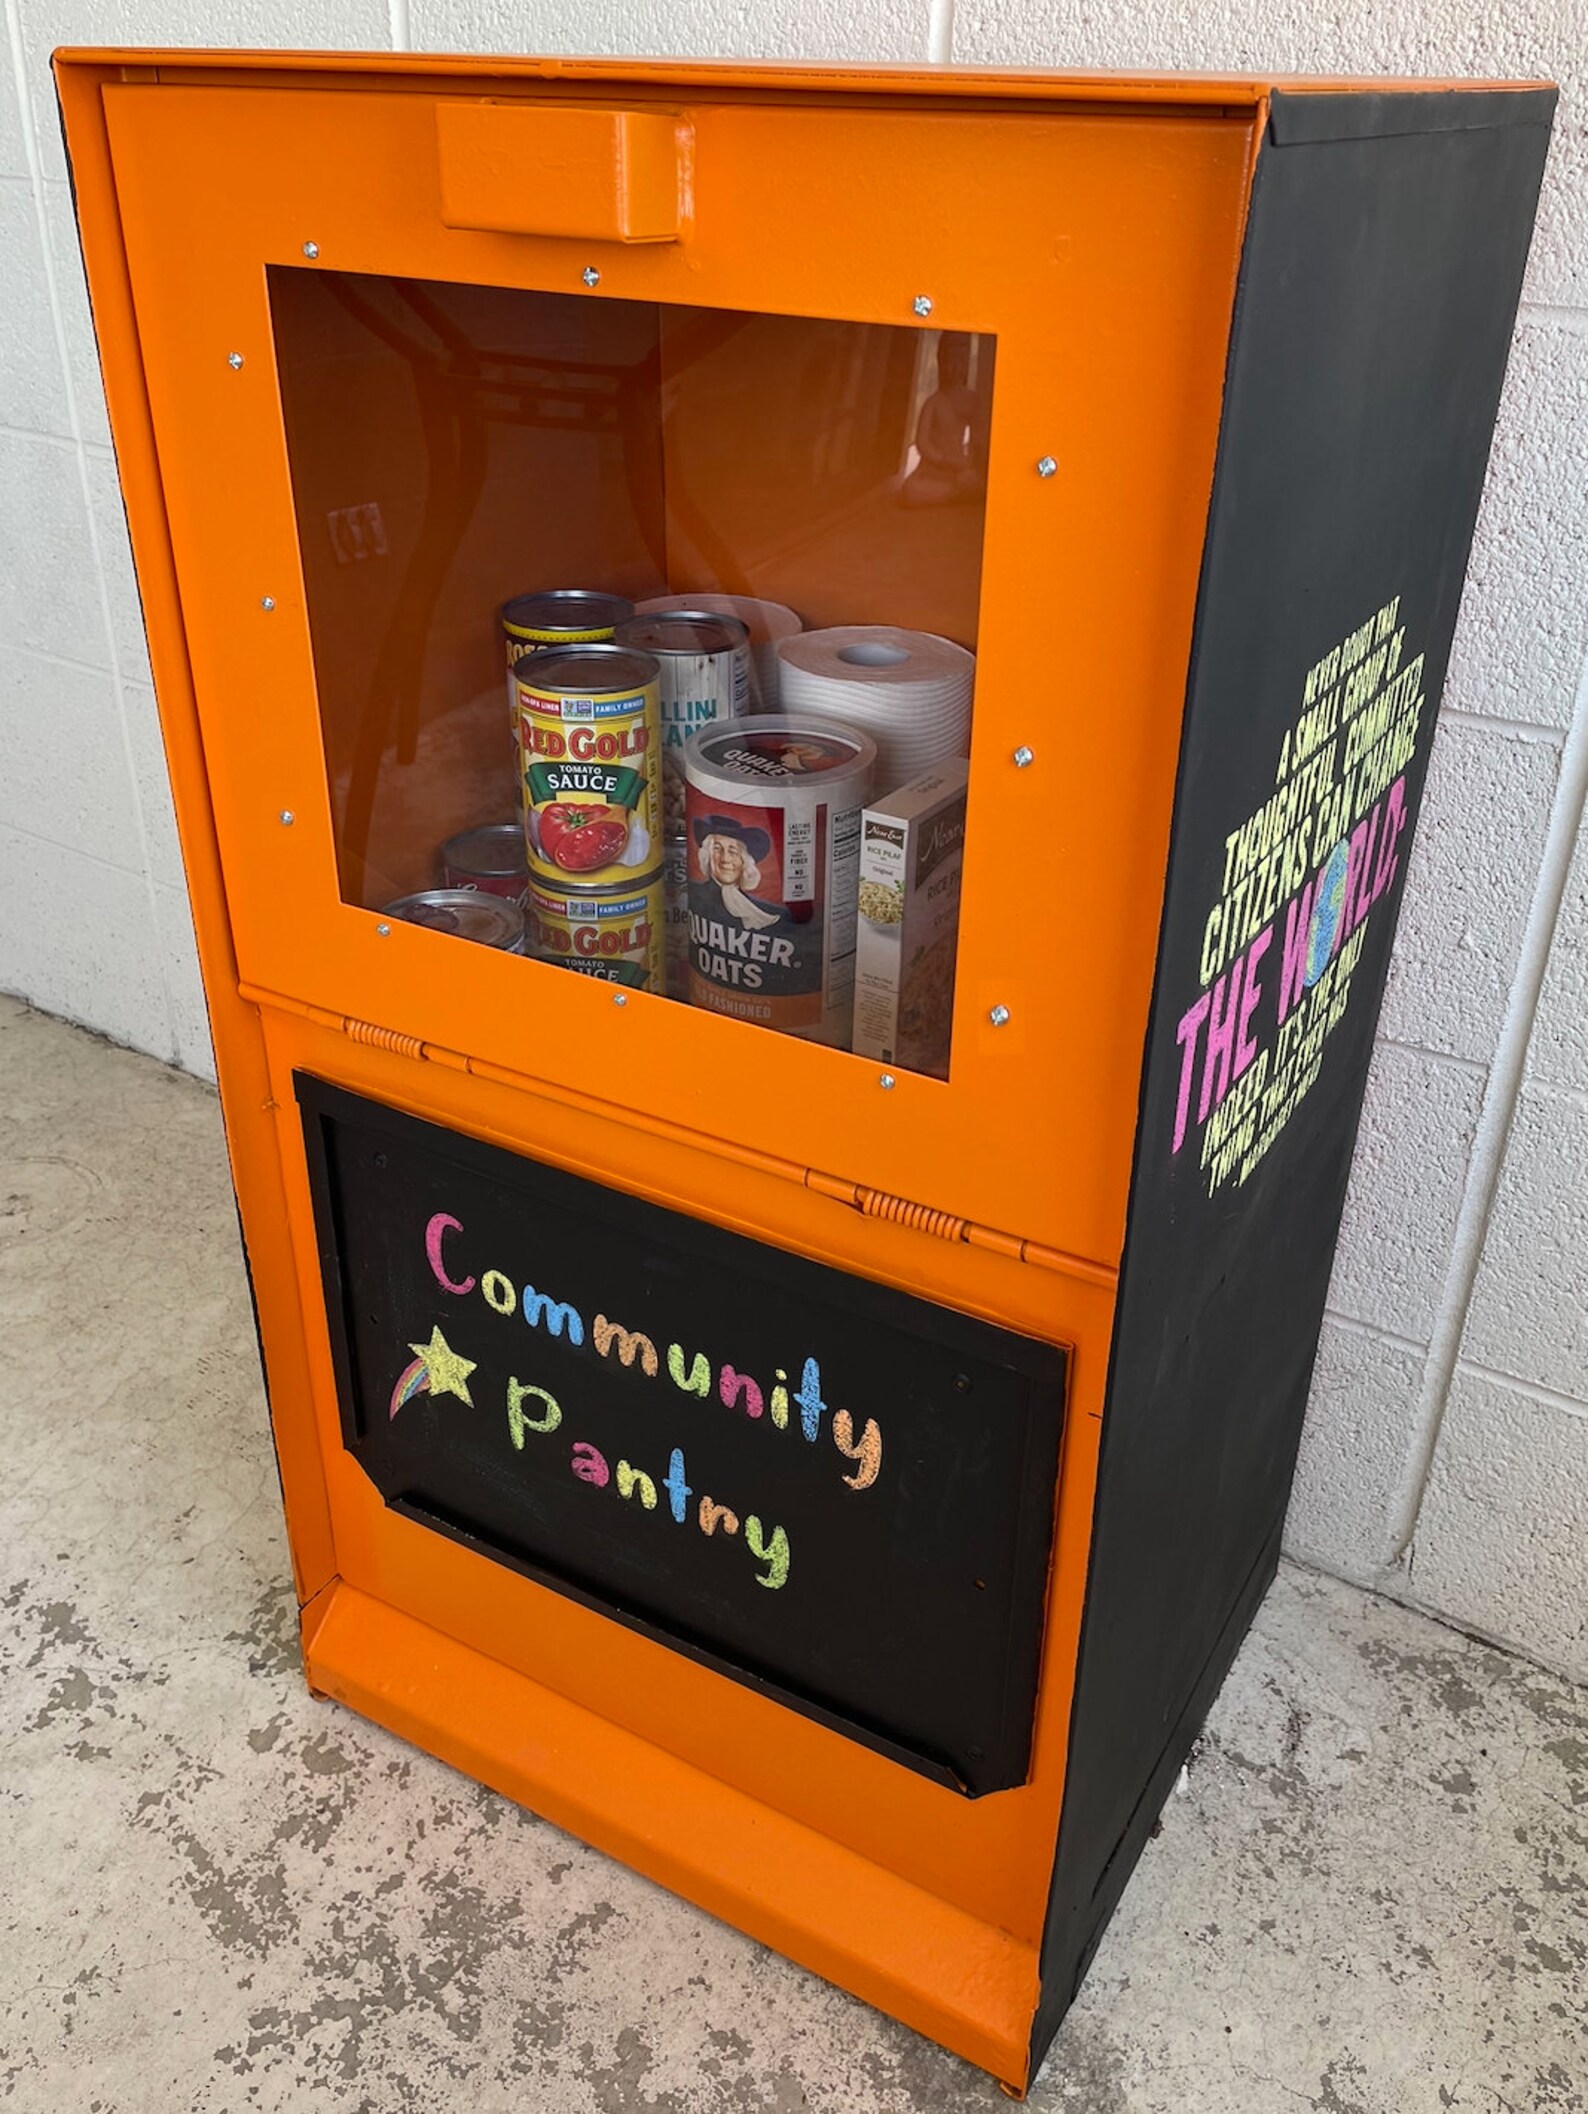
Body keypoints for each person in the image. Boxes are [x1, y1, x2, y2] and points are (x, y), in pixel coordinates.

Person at [691, 815, 784, 933]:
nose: (725, 859)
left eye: (733, 851)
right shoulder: (694, 894)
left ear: (744, 861)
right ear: (707, 856)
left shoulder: (766, 911)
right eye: (717, 849)